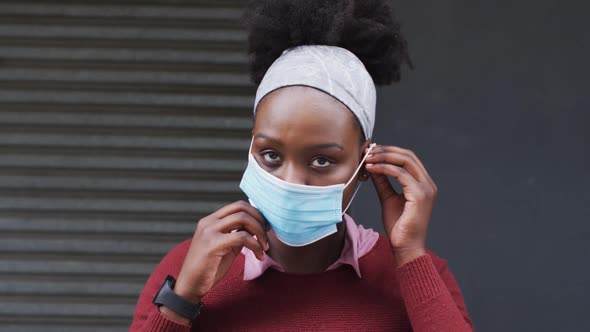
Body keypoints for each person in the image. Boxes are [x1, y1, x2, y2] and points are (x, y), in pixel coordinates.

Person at [130, 0, 473, 331]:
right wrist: (182, 300)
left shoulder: (417, 276)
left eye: (322, 160)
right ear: (251, 145)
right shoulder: (186, 267)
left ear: (366, 162)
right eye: (271, 156)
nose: (291, 182)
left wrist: (410, 255)